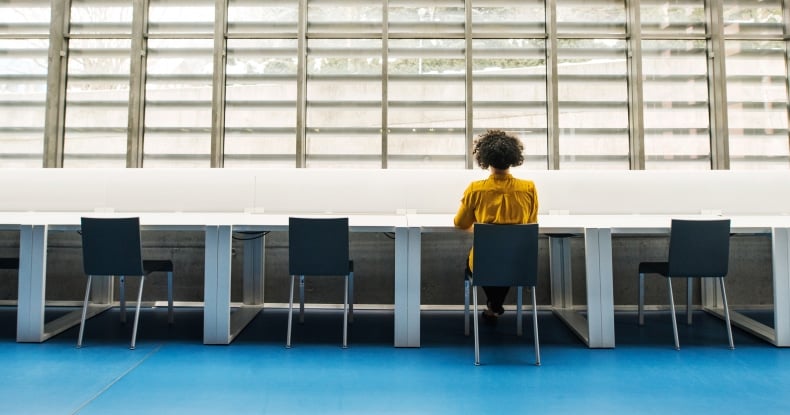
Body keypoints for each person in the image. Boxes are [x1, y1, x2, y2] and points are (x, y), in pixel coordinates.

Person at [453, 129, 539, 321]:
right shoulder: (529, 188)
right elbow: (530, 223)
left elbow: (460, 223)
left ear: (484, 159)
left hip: (485, 264)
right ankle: (494, 305)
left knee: (482, 261)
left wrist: (481, 228)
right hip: (519, 264)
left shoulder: (476, 189)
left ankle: (493, 304)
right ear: (514, 158)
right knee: (506, 260)